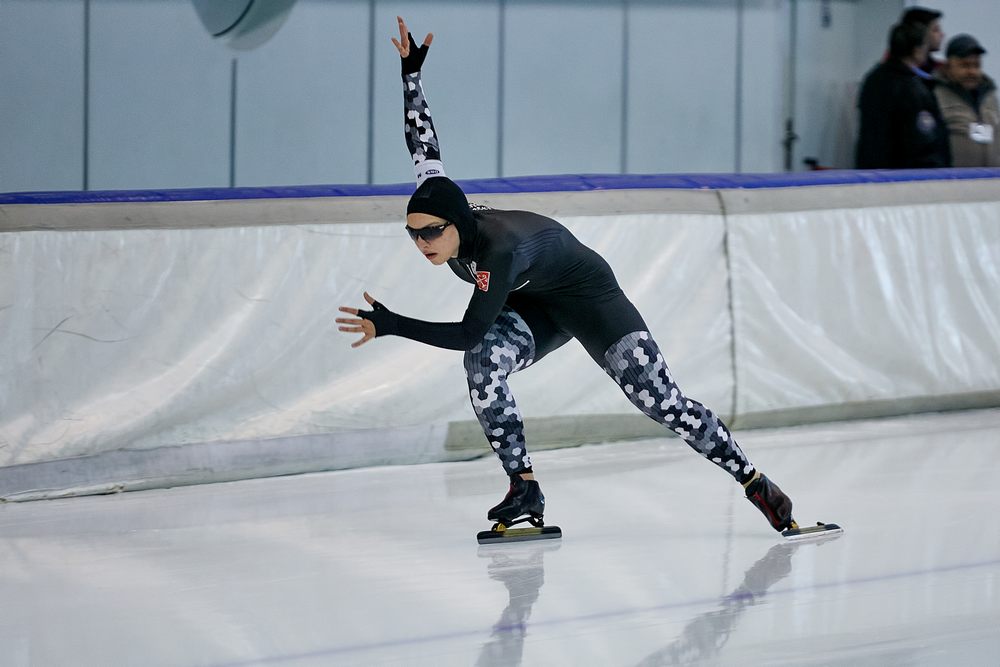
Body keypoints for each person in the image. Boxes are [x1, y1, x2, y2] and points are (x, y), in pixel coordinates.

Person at [336, 17, 795, 535]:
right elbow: (423, 147)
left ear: (457, 223)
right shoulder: (446, 212)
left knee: (660, 402)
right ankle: (523, 487)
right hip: (534, 299)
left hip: (588, 299)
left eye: (431, 233)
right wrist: (411, 76)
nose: (422, 243)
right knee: (484, 365)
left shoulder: (497, 252)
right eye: (412, 234)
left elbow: (467, 330)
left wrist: (393, 324)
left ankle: (754, 480)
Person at [856, 21, 951, 169]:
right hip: (907, 173)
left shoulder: (873, 79)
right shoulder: (912, 88)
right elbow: (923, 139)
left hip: (872, 169)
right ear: (917, 50)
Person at [934, 34, 1000, 167]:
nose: (972, 72)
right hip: (952, 177)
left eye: (976, 65)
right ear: (948, 66)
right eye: (964, 65)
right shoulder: (936, 95)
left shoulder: (990, 97)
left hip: (991, 177)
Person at [900, 6, 944, 75]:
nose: (942, 34)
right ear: (918, 32)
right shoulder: (896, 69)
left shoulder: (937, 67)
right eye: (935, 30)